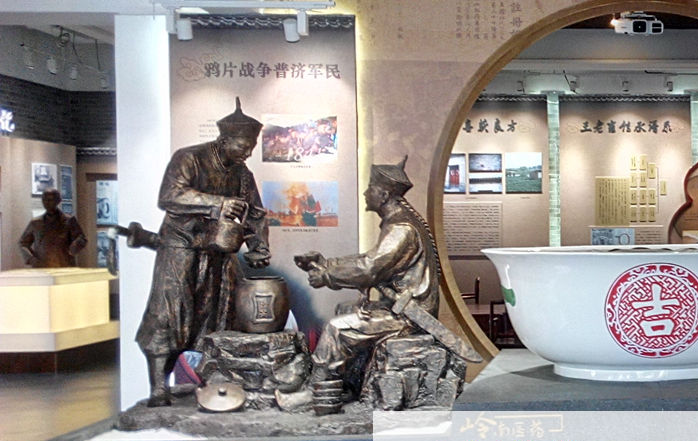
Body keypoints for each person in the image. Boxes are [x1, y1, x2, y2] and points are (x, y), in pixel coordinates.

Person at [136, 98, 271, 407]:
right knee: (169, 314)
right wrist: (217, 203)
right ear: (224, 139)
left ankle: (215, 384)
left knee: (218, 317)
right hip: (180, 249)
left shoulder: (242, 174)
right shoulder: (189, 158)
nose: (248, 153)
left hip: (218, 254)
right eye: (243, 146)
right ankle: (159, 387)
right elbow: (170, 196)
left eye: (251, 147)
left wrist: (259, 246)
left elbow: (255, 213)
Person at [298, 157, 461, 392]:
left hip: (409, 316)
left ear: (384, 195)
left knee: (336, 328)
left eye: (370, 188)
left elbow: (370, 268)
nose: (366, 193)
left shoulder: (401, 229)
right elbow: (371, 260)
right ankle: (347, 385)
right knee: (344, 309)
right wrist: (326, 264)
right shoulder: (397, 222)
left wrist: (327, 275)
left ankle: (315, 390)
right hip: (397, 307)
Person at [19, 188, 86, 268]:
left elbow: (81, 238)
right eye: (44, 200)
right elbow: (23, 243)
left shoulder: (69, 221)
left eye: (50, 200)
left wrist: (73, 249)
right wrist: (31, 259)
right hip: (42, 266)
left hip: (64, 265)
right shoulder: (35, 223)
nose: (47, 203)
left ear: (58, 201)